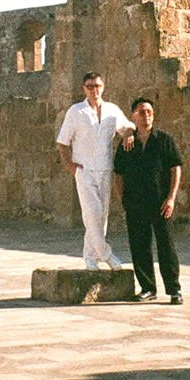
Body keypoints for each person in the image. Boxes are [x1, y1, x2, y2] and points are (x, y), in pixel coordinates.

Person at [55, 72, 133, 270]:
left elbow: (127, 127)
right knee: (92, 213)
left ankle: (90, 256)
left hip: (105, 168)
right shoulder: (76, 111)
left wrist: (129, 135)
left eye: (97, 86)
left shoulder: (112, 110)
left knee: (102, 216)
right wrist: (69, 165)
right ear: (84, 89)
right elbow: (62, 142)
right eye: (89, 86)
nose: (93, 90)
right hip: (84, 169)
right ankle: (106, 254)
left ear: (103, 86)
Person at [113, 96, 184, 304]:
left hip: (160, 201)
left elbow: (175, 168)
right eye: (142, 112)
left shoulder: (164, 139)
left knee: (166, 245)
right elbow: (119, 173)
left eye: (150, 112)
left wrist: (171, 197)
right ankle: (147, 288)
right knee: (139, 245)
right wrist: (123, 199)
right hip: (135, 202)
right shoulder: (127, 142)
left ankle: (174, 289)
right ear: (133, 116)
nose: (146, 116)